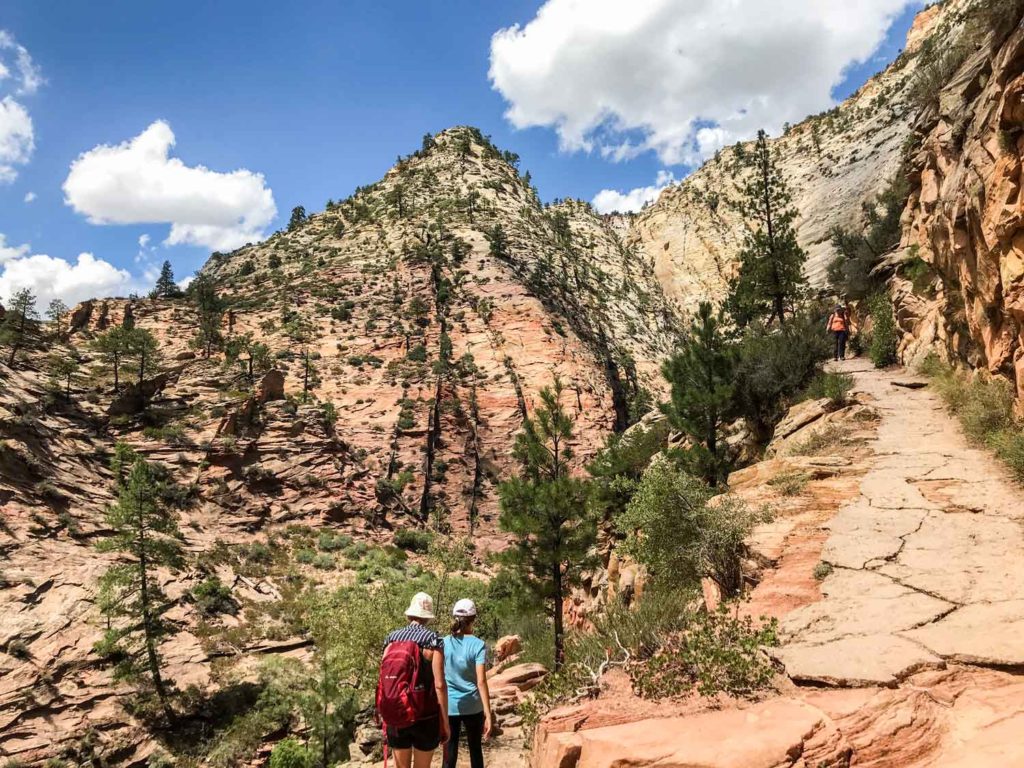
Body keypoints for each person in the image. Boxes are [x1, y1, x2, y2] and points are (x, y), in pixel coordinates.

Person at [380, 592, 450, 768]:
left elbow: (385, 677)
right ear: (427, 617)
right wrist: (445, 723)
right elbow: (440, 685)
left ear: (410, 613)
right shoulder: (433, 640)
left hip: (397, 713)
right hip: (426, 717)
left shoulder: (391, 638)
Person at [443, 599, 493, 768]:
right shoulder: (478, 645)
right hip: (473, 705)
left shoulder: (443, 643)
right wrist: (488, 712)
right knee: (475, 751)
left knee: (449, 755)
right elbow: (481, 681)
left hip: (450, 706)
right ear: (473, 619)